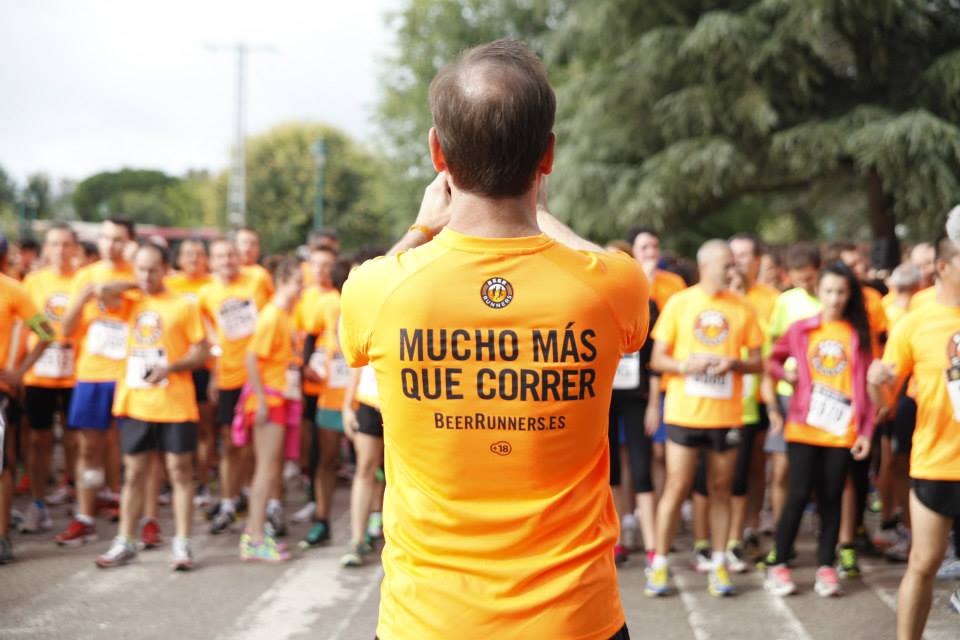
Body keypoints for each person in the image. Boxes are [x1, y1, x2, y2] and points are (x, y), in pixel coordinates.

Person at [339, 40, 647, 639]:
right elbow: (611, 276)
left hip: (428, 620)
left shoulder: (379, 288)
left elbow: (361, 317)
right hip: (573, 618)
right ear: (548, 156)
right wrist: (539, 216)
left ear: (438, 153)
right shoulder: (612, 284)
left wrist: (423, 226)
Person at [646, 240, 762, 598]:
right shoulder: (681, 303)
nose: (734, 271)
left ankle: (719, 564)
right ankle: (660, 564)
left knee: (721, 489)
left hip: (726, 415)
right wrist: (685, 366)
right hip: (684, 413)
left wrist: (735, 364)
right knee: (677, 486)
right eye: (727, 265)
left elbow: (758, 361)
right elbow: (656, 359)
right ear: (706, 266)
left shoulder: (743, 307)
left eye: (733, 265)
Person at [93, 243, 210, 570]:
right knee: (134, 474)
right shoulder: (129, 302)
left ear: (166, 270)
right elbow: (101, 291)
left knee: (179, 472)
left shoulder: (184, 305)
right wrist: (135, 282)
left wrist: (170, 367)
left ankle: (183, 543)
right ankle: (124, 541)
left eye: (153, 269)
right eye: (141, 269)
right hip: (136, 401)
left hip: (175, 402)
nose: (147, 275)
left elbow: (202, 351)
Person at [868, 232, 960, 639]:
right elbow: (885, 401)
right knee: (924, 563)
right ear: (943, 267)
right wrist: (876, 382)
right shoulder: (915, 323)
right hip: (936, 461)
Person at [763, 263, 875, 597]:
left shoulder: (858, 333)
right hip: (804, 425)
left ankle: (826, 566)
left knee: (831, 498)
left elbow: (867, 388)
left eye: (841, 292)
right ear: (818, 292)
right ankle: (779, 563)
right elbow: (772, 359)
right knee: (797, 495)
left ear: (849, 294)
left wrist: (866, 431)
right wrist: (787, 375)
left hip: (841, 429)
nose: (835, 298)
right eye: (828, 291)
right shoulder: (801, 330)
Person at [57, 218, 137, 546]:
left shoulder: (138, 273)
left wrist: (117, 288)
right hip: (91, 374)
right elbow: (64, 329)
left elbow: (152, 292)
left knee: (129, 449)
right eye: (105, 238)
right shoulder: (85, 276)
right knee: (88, 447)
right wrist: (85, 297)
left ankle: (127, 509)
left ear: (129, 242)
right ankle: (86, 515)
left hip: (128, 375)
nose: (110, 245)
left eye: (118, 239)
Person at [198, 239, 271, 534]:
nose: (226, 260)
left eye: (230, 254)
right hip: (228, 375)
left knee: (255, 442)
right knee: (230, 442)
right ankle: (229, 500)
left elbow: (272, 319)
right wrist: (215, 374)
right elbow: (209, 338)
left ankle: (256, 501)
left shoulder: (258, 280)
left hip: (258, 375)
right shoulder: (205, 294)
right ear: (211, 262)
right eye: (219, 256)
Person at [238, 257, 303, 562]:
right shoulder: (272, 316)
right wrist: (262, 401)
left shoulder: (285, 315)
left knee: (271, 469)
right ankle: (254, 537)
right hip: (270, 401)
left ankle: (256, 533)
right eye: (297, 283)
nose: (302, 288)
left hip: (281, 399)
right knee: (264, 470)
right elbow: (252, 358)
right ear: (281, 283)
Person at [0, 234, 55, 563]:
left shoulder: (14, 290)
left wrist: (20, 371)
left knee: (2, 465)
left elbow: (47, 332)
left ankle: (2, 535)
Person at [20, 223, 78, 534]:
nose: (60, 251)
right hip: (39, 371)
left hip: (74, 371)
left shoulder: (82, 279)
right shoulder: (33, 281)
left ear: (75, 249)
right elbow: (21, 325)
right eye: (54, 244)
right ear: (46, 249)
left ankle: (74, 491)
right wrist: (18, 367)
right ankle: (38, 502)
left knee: (75, 439)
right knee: (38, 439)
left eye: (66, 244)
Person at [165, 239, 216, 507]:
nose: (193, 258)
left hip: (203, 367)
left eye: (199, 253)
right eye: (187, 253)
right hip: (173, 367)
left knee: (205, 429)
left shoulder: (213, 285)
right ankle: (168, 483)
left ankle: (203, 482)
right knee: (170, 429)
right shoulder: (169, 285)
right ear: (178, 259)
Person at [631, 227, 686, 311]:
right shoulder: (628, 282)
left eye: (655, 246)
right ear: (633, 250)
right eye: (644, 247)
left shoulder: (674, 280)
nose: (651, 252)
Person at [235, 228, 274, 299]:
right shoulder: (219, 276)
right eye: (243, 243)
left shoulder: (264, 275)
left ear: (259, 248)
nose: (247, 248)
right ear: (235, 245)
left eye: (252, 244)